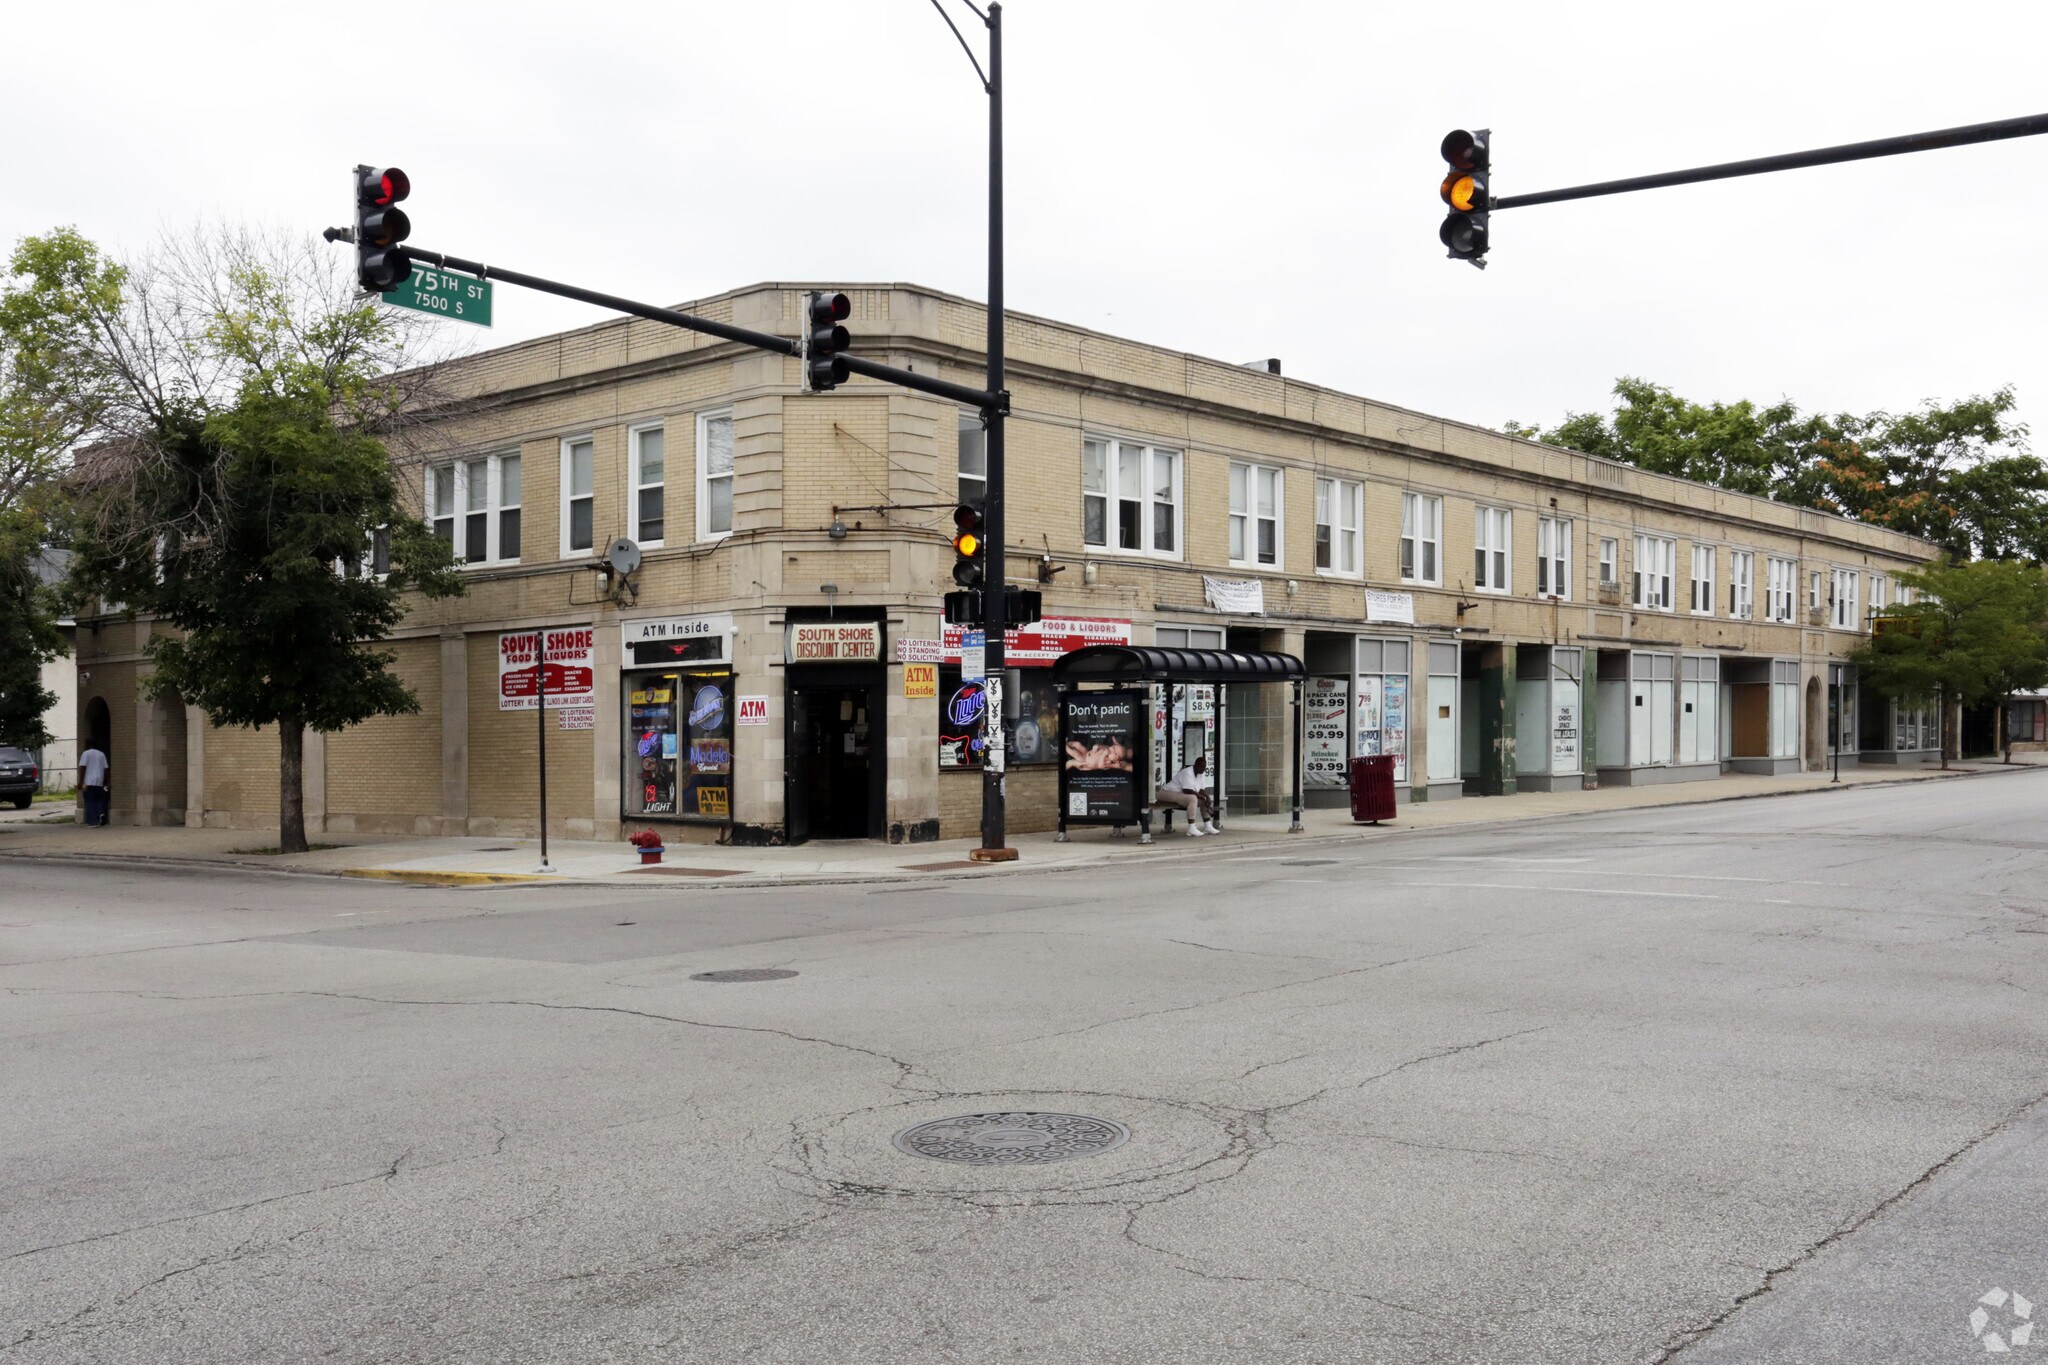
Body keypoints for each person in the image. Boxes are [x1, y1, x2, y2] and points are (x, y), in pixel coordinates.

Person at [1158, 754, 1218, 837]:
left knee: (1204, 800)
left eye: (1204, 767)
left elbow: (1201, 790)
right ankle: (1191, 828)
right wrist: (1203, 797)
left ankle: (1207, 826)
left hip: (1180, 794)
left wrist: (1207, 798)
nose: (1203, 769)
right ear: (1195, 765)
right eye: (1201, 767)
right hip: (1165, 793)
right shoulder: (1187, 772)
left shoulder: (1200, 774)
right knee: (1193, 798)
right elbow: (1187, 790)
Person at [78, 742, 109, 827]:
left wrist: (81, 781)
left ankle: (92, 822)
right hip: (99, 781)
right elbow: (106, 769)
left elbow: (83, 767)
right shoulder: (102, 754)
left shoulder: (86, 753)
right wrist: (106, 782)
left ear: (88, 746)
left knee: (90, 801)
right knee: (98, 800)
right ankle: (101, 814)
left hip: (88, 781)